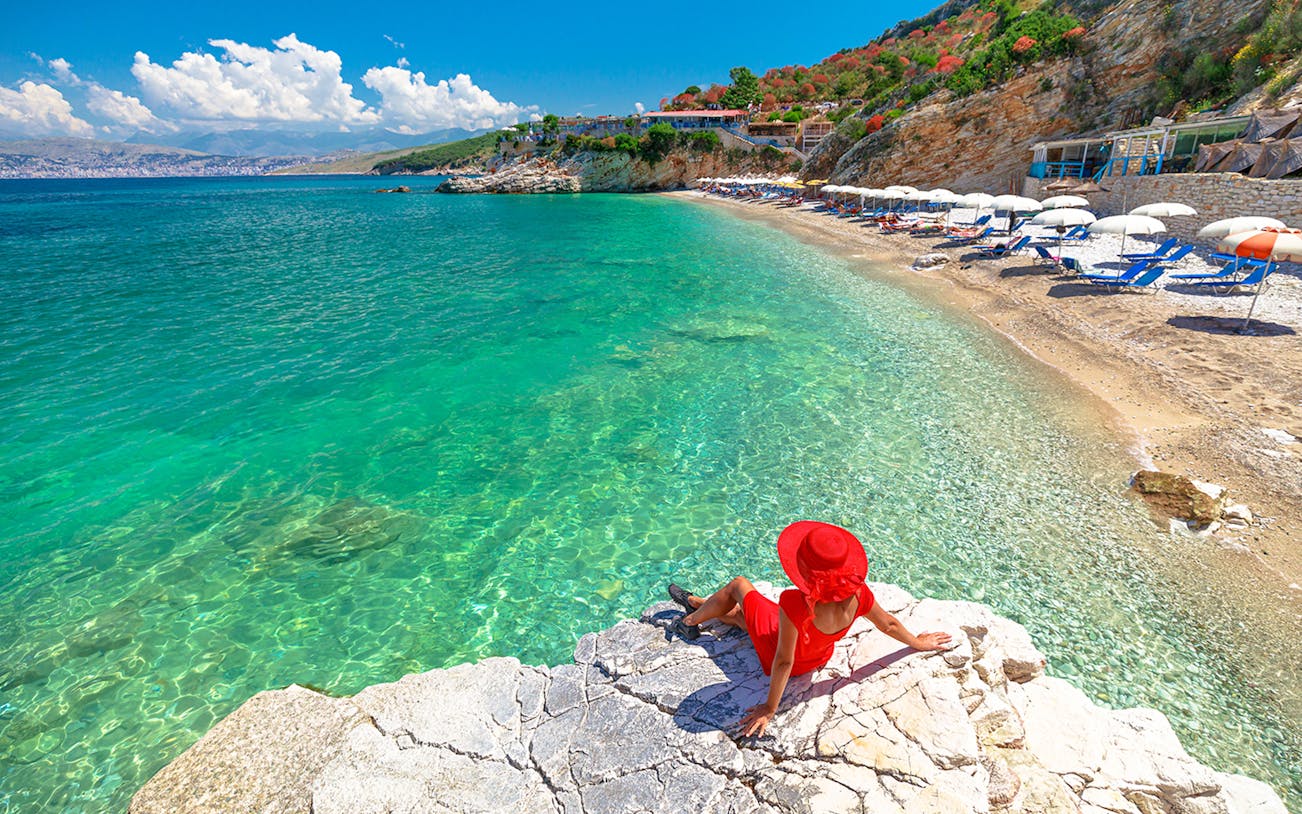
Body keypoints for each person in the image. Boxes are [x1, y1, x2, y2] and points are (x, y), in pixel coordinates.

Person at [667, 521, 952, 738]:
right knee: (742, 617)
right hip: (816, 657)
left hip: (781, 652)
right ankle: (699, 602)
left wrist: (769, 707)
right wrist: (917, 642)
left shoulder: (795, 602)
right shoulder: (859, 595)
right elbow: (887, 623)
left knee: (739, 585)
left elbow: (783, 661)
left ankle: (689, 621)